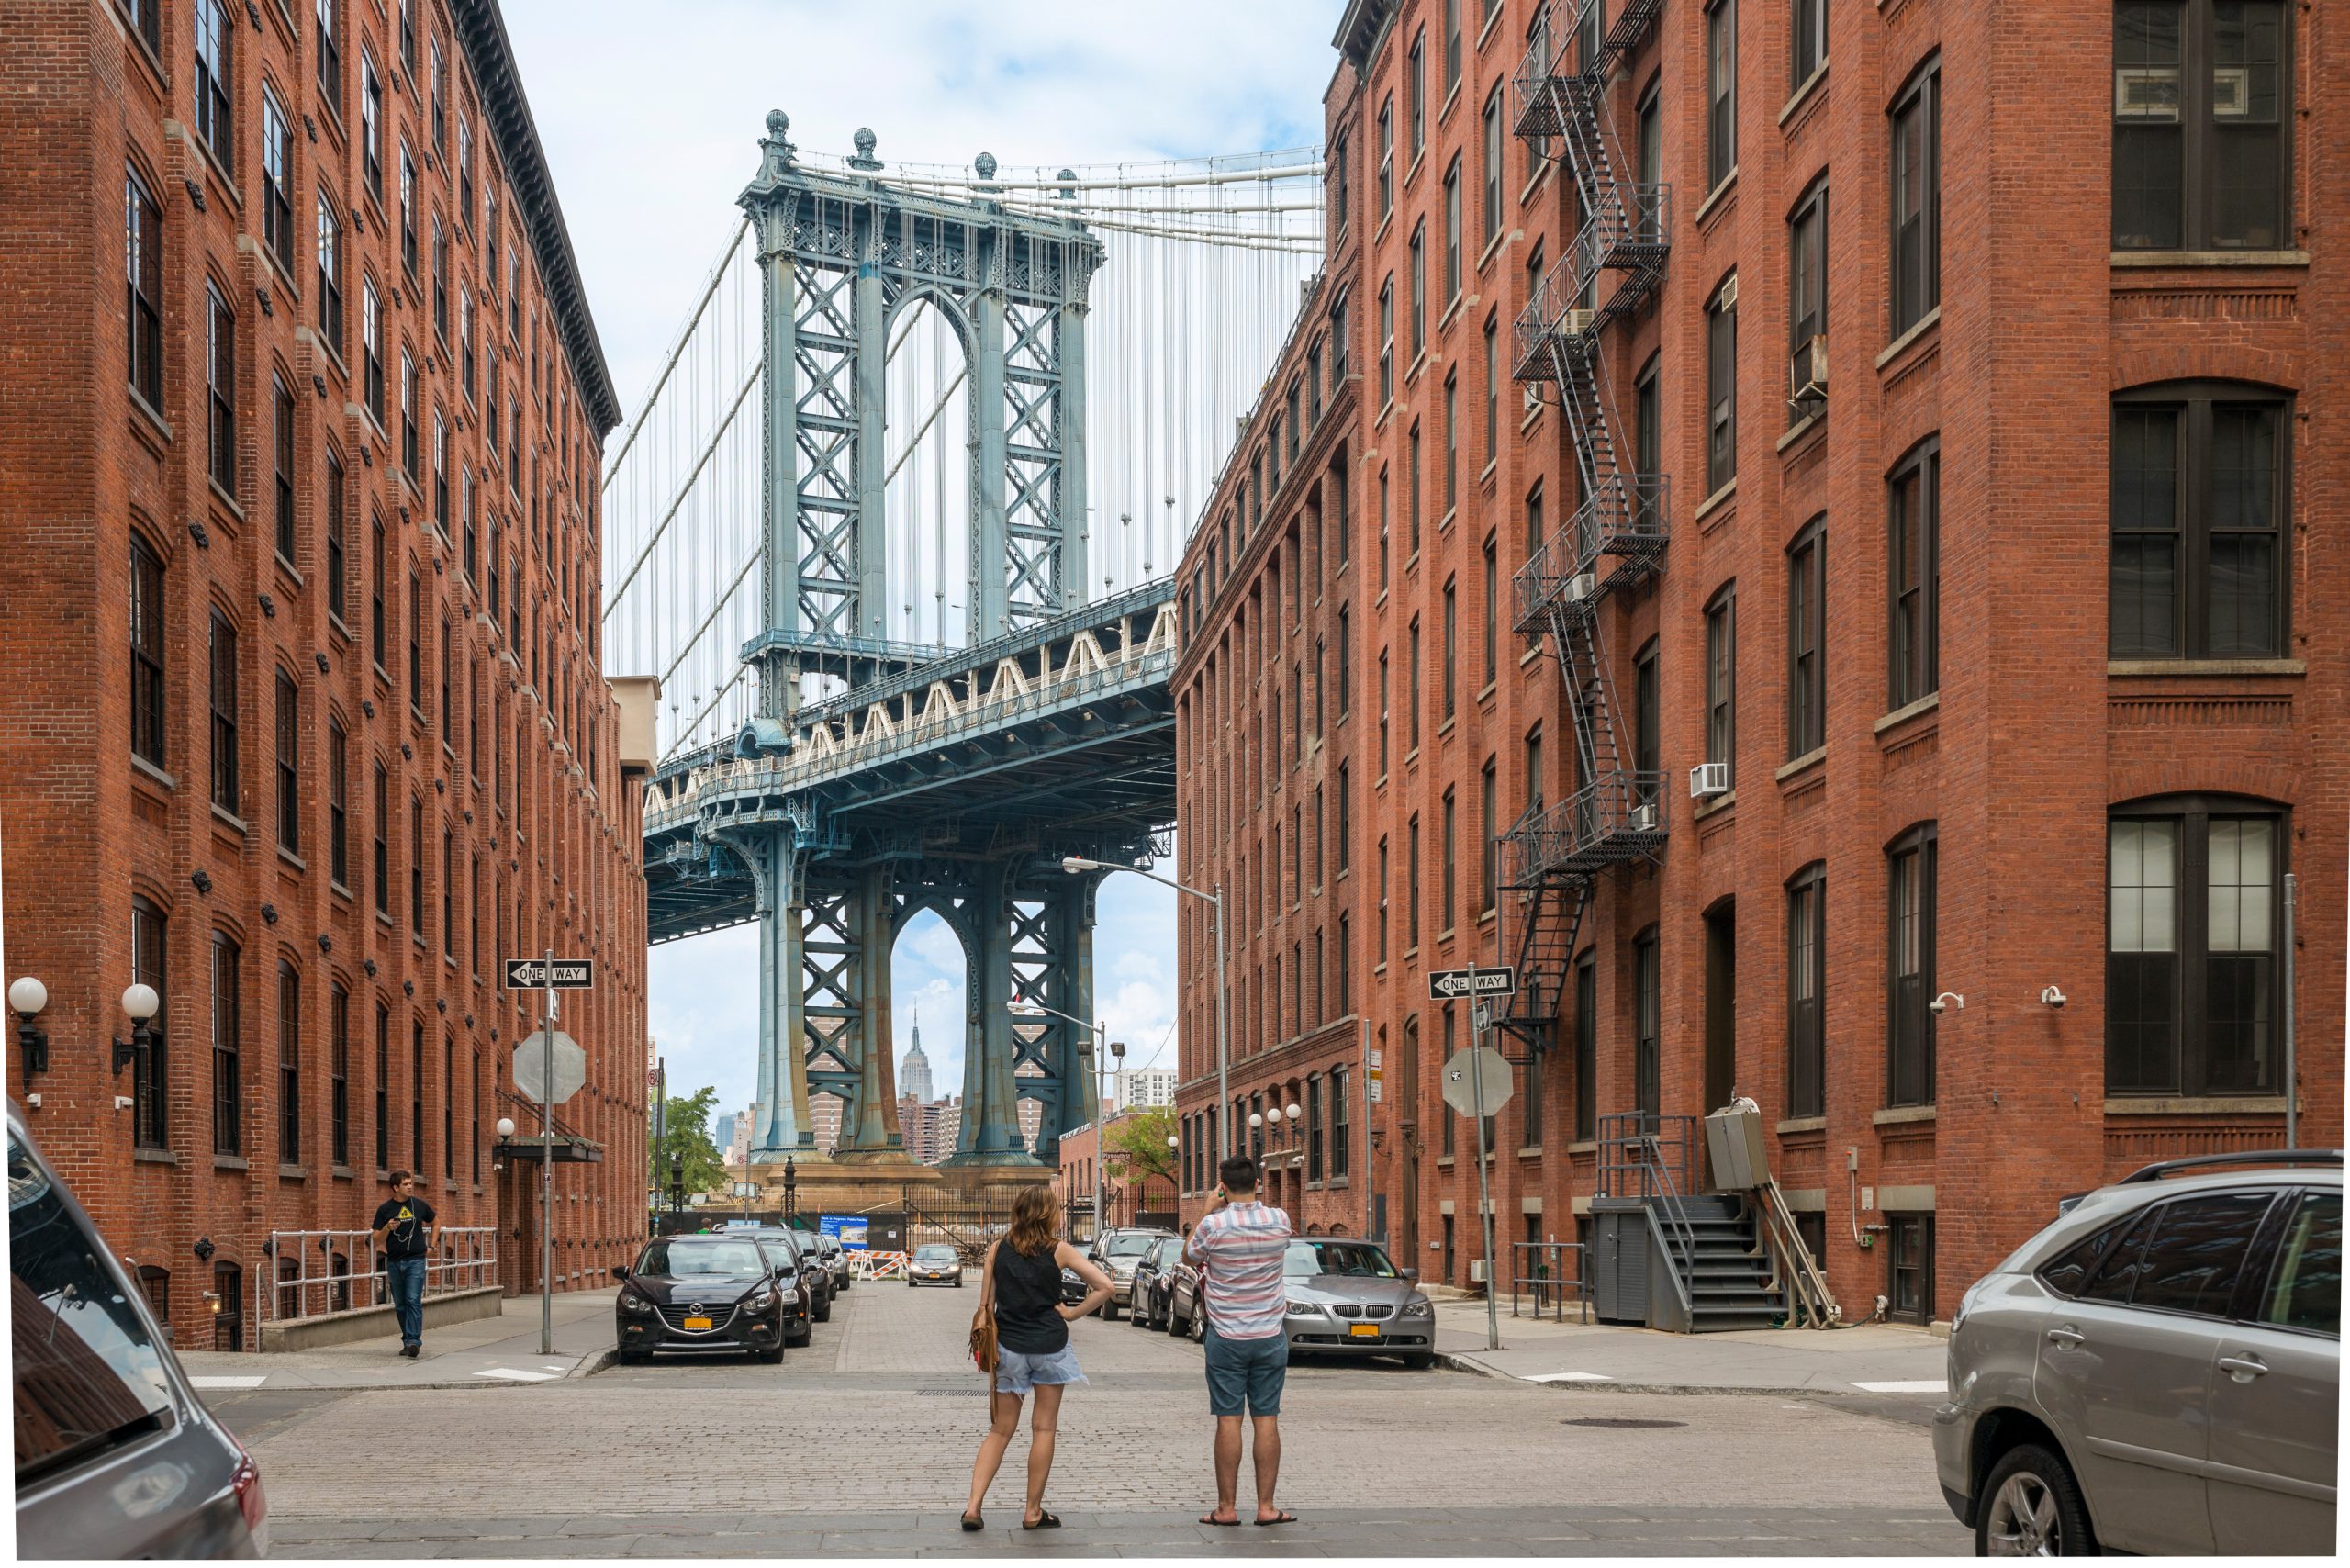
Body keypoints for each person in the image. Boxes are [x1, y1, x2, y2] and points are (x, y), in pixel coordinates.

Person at [961, 1184, 1111, 1532]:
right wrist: (1072, 1314)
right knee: (1043, 1428)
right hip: (1050, 1347)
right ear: (1049, 1214)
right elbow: (1104, 1287)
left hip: (1009, 1347)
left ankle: (972, 1507)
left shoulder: (997, 1249)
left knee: (1000, 1430)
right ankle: (1032, 1511)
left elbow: (985, 1305)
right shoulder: (1060, 1251)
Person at [1185, 1154, 1296, 1526]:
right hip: (1269, 1335)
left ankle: (1226, 1508)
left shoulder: (1213, 1226)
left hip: (1227, 1336)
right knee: (1267, 1418)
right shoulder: (1280, 1221)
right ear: (1258, 1184)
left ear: (1223, 1187)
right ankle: (1266, 1507)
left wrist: (1205, 1209)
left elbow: (1188, 1256)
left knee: (1228, 1419)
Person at [372, 1170, 437, 1358]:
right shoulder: (385, 1210)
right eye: (406, 1184)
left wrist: (432, 1245)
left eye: (411, 1183)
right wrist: (387, 1228)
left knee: (412, 1300)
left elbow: (436, 1223)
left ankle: (413, 1341)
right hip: (394, 1263)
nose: (410, 1187)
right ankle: (407, 1340)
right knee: (400, 1304)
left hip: (416, 1261)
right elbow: (376, 1239)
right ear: (395, 1187)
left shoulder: (418, 1205)